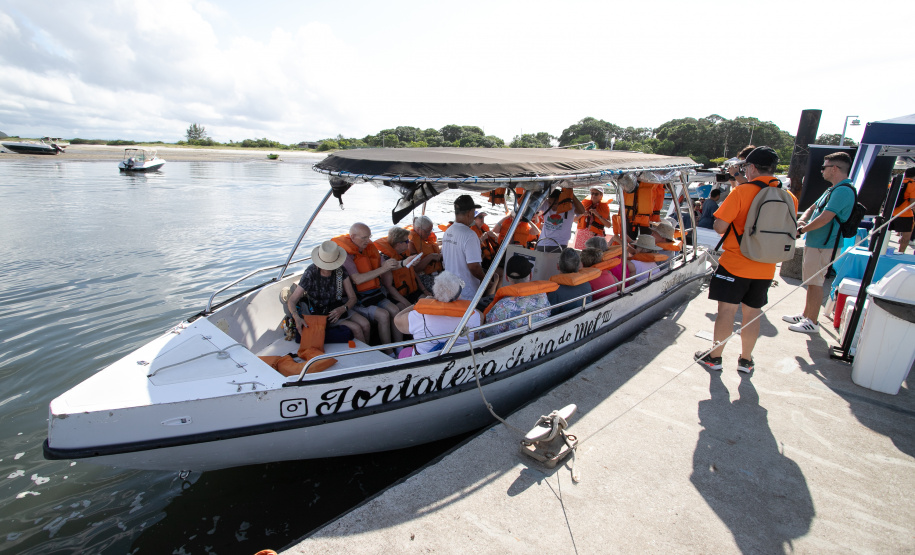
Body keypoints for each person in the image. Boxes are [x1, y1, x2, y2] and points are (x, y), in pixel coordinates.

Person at [695, 146, 798, 374]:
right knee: (753, 314)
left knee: (727, 312)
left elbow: (720, 227)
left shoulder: (742, 191)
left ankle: (715, 357)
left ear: (751, 168)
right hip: (766, 267)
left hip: (736, 263)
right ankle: (746, 360)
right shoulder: (788, 196)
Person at [782, 152, 855, 334]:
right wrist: (803, 220)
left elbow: (825, 218)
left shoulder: (843, 190)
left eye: (824, 167)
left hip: (825, 244)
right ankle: (807, 314)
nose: (821, 171)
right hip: (816, 242)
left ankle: (812, 321)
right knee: (811, 280)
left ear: (835, 168)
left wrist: (802, 230)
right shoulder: (832, 189)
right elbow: (813, 208)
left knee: (815, 282)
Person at [332, 223, 403, 349]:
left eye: (369, 237)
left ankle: (400, 348)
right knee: (384, 315)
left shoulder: (369, 248)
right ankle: (389, 352)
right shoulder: (345, 255)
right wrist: (384, 269)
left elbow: (385, 264)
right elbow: (357, 280)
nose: (368, 241)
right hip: (358, 299)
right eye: (364, 238)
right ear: (353, 237)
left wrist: (404, 263)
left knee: (395, 310)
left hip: (374, 293)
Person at [286, 240, 371, 344]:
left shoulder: (341, 271)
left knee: (365, 324)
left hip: (339, 308)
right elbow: (292, 300)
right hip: (320, 313)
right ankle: (362, 356)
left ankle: (369, 354)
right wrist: (296, 317)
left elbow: (352, 298)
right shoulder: (310, 273)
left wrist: (343, 308)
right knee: (356, 328)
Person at [393, 271, 481, 357]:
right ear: (458, 296)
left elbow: (397, 319)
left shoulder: (418, 315)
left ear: (435, 292)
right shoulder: (474, 315)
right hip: (459, 360)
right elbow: (475, 340)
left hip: (424, 362)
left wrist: (418, 304)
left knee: (404, 352)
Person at [482, 255, 554, 337]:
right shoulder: (543, 298)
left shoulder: (502, 307)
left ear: (506, 277)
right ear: (530, 275)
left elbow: (486, 335)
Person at [442, 195, 486, 301]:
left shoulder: (448, 232)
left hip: (450, 289)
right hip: (466, 293)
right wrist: (486, 281)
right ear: (470, 212)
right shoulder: (470, 235)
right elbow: (474, 266)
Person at [374, 226, 426, 306]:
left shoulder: (405, 253)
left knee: (428, 301)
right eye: (407, 241)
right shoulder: (386, 259)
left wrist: (424, 290)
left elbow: (413, 272)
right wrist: (407, 304)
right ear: (398, 244)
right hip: (397, 297)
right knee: (404, 310)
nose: (409, 243)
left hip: (412, 291)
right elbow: (388, 286)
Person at [537, 187, 586, 252]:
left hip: (560, 244)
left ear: (561, 201)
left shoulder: (569, 207)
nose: (552, 206)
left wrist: (571, 194)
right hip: (542, 243)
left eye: (555, 203)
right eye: (550, 203)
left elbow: (582, 211)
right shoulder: (546, 204)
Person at [547, 248, 594, 315]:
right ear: (578, 267)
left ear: (558, 266)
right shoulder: (587, 284)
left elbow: (549, 314)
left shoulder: (555, 291)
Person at [407, 215, 444, 292]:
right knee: (447, 290)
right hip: (424, 277)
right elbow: (415, 269)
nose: (429, 234)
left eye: (430, 231)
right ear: (418, 229)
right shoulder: (411, 243)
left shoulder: (425, 240)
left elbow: (432, 248)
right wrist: (430, 257)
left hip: (436, 273)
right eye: (427, 231)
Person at [889, 167, 915, 253]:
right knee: (906, 236)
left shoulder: (896, 181)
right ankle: (901, 252)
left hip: (890, 212)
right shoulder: (913, 184)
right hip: (905, 214)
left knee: (886, 233)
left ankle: (882, 250)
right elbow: (912, 203)